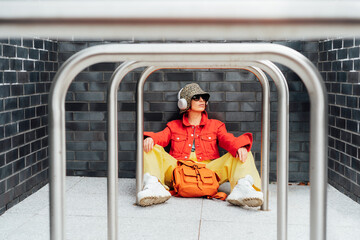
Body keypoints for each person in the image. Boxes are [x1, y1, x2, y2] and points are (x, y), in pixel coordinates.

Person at [138, 83, 263, 207]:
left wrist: (239, 147)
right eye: (196, 97)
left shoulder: (216, 125)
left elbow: (227, 139)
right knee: (151, 147)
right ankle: (153, 186)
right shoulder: (174, 125)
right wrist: (151, 139)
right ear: (184, 102)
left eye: (204, 98)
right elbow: (161, 137)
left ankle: (243, 188)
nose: (202, 100)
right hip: (179, 169)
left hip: (208, 170)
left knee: (242, 150)